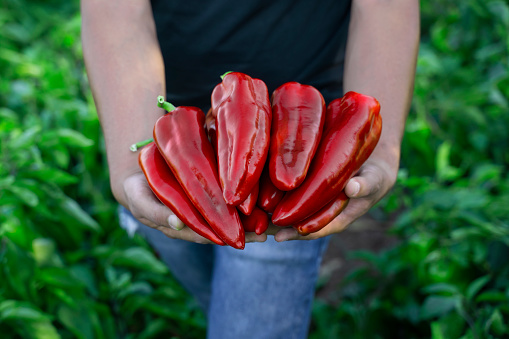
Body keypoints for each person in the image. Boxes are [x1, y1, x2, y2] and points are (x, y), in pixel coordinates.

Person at [81, 0, 420, 337]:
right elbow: (114, 9)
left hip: (305, 135)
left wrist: (379, 143)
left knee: (249, 319)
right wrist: (130, 160)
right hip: (158, 125)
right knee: (193, 256)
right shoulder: (157, 139)